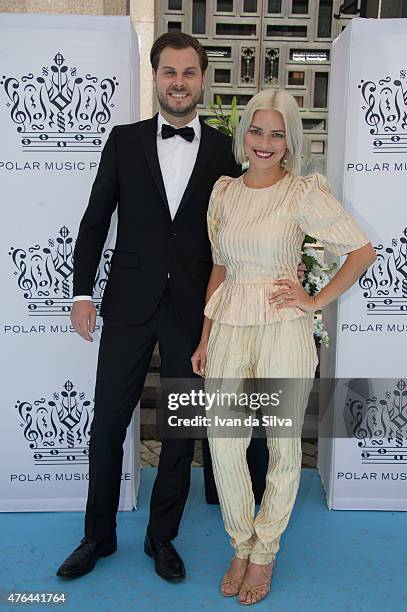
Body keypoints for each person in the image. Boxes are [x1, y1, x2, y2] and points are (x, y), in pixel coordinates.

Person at [56, 32, 241, 582]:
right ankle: (98, 537)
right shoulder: (124, 141)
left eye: (188, 72)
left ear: (202, 80)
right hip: (129, 303)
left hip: (193, 309)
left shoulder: (225, 150)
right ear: (156, 77)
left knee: (181, 430)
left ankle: (163, 539)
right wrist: (82, 292)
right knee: (108, 423)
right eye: (169, 72)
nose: (179, 82)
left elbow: (239, 232)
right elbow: (94, 222)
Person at [191, 88, 376, 604]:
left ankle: (265, 551)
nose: (265, 141)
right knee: (225, 443)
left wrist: (314, 301)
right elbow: (220, 267)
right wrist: (205, 336)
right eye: (256, 130)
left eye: (277, 133)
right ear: (244, 135)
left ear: (290, 142)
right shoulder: (224, 192)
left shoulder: (303, 193)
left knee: (282, 444)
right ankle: (240, 542)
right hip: (228, 323)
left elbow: (361, 252)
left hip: (283, 327)